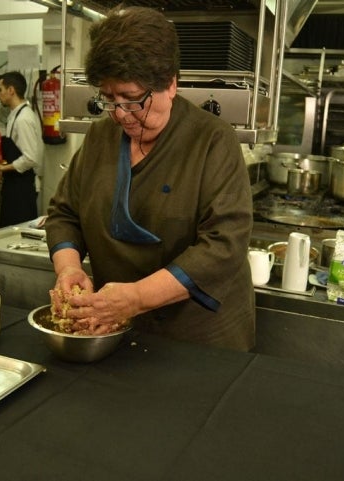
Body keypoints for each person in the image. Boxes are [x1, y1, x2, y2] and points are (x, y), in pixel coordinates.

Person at [44, 6, 256, 351]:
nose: (121, 114)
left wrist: (137, 297)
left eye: (132, 99)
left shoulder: (212, 141)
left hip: (197, 337)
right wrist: (68, 269)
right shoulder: (99, 139)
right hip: (114, 329)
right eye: (109, 99)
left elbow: (223, 245)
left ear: (171, 84)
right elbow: (65, 214)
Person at [0, 71, 43, 226]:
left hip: (22, 190)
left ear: (11, 90)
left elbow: (30, 158)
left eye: (0, 90)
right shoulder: (14, 115)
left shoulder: (23, 119)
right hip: (14, 186)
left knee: (17, 233)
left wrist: (4, 168)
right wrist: (1, 167)